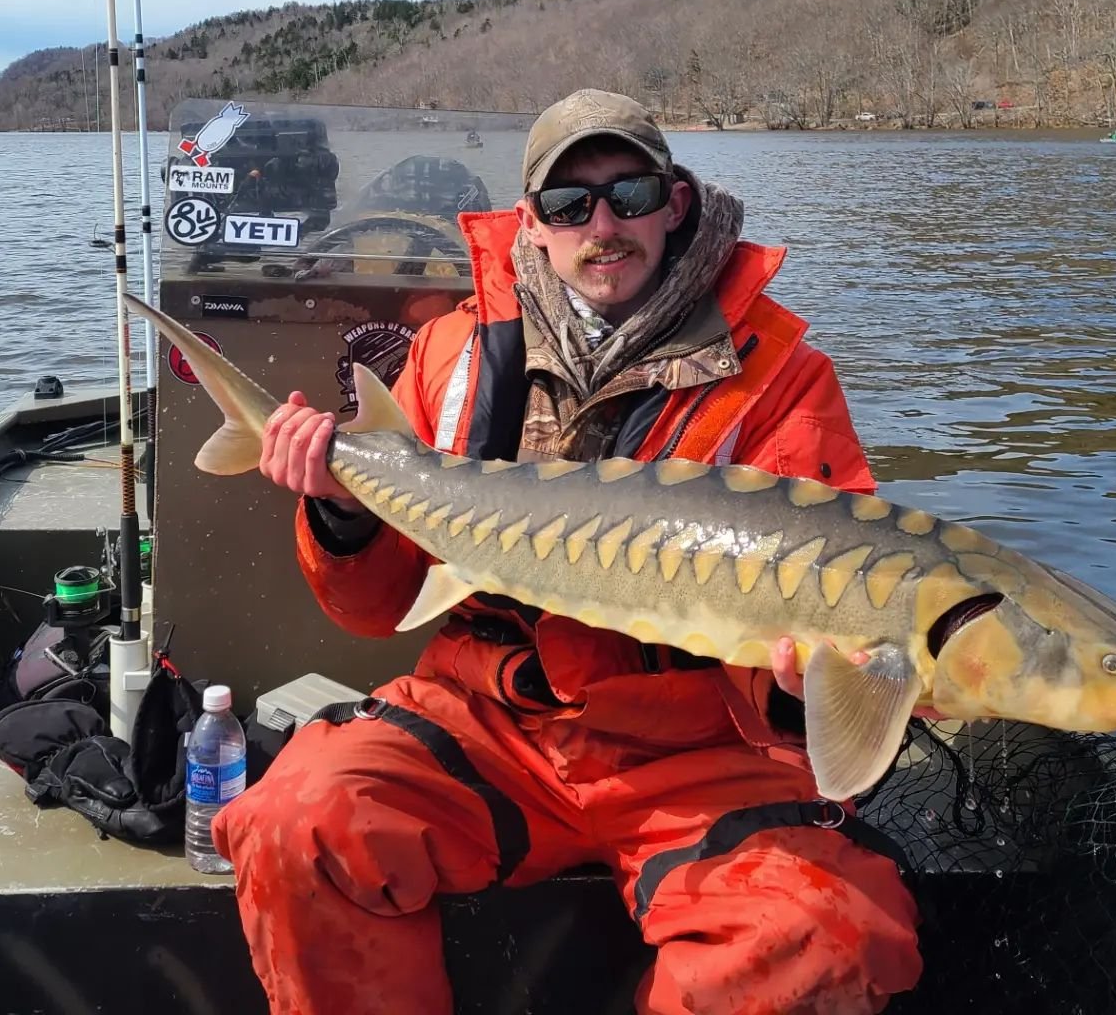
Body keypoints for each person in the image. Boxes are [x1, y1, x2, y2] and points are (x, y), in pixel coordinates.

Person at [213, 89, 922, 1015]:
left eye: (629, 194)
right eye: (568, 203)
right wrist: (341, 514)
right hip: (488, 720)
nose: (603, 223)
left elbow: (841, 598)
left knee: (826, 938)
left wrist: (797, 689)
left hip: (698, 740)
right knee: (294, 822)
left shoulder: (781, 375)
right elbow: (376, 607)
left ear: (675, 205)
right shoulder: (449, 352)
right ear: (531, 224)